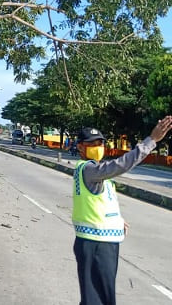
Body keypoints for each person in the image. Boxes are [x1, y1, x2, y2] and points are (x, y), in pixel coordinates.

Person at [71, 116, 172, 305]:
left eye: (100, 142)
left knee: (100, 296)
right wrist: (152, 141)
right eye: (92, 143)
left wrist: (118, 220)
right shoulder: (90, 170)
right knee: (96, 299)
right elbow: (122, 164)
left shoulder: (95, 172)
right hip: (95, 244)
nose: (98, 146)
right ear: (80, 147)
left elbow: (100, 204)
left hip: (101, 242)